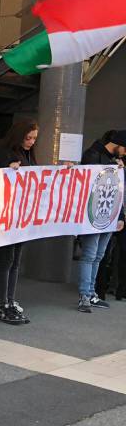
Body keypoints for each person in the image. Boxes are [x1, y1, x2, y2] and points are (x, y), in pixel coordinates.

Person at [0, 119, 37, 325]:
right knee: (6, 261)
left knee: (14, 261)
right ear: (19, 136)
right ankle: (2, 304)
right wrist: (7, 168)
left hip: (21, 215)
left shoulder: (26, 154)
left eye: (35, 138)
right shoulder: (4, 153)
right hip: (7, 215)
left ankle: (9, 301)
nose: (32, 142)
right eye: (29, 138)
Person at [77, 129, 126, 312]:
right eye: (125, 149)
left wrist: (120, 216)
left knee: (98, 256)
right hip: (93, 214)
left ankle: (90, 293)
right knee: (90, 255)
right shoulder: (92, 155)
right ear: (118, 145)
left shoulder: (114, 161)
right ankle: (84, 295)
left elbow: (118, 191)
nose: (125, 153)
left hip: (108, 214)